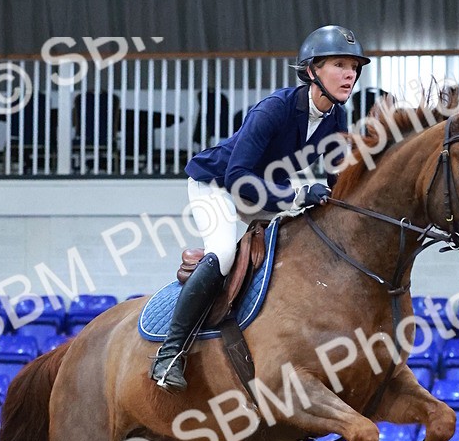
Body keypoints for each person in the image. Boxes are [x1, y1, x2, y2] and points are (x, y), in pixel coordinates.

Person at [150, 25, 371, 391]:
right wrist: (300, 195)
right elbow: (238, 177)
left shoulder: (336, 117)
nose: (350, 74)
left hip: (265, 192)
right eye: (339, 64)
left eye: (354, 67)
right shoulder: (274, 109)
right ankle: (169, 354)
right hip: (218, 184)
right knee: (223, 253)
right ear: (311, 70)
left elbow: (336, 182)